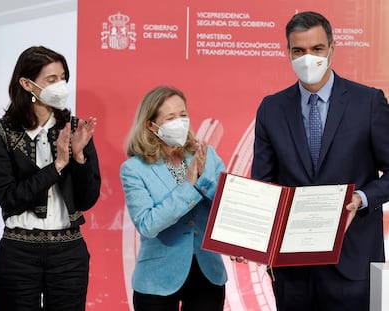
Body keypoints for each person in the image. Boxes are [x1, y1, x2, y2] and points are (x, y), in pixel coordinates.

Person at [251, 11, 389, 311]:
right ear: (288, 52)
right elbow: (262, 184)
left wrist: (362, 198)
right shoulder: (271, 109)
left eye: (316, 49)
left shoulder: (368, 102)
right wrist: (245, 233)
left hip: (356, 263)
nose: (307, 58)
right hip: (292, 268)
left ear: (332, 49)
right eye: (298, 51)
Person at [0, 46, 101, 311]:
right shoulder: (0, 133)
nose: (60, 86)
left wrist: (79, 157)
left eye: (63, 78)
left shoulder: (76, 129)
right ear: (27, 83)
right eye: (52, 80)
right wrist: (58, 164)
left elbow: (88, 199)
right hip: (18, 251)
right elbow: (10, 198)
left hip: (69, 252)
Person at [120, 85, 227, 311]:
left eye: (183, 115)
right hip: (157, 280)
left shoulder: (207, 154)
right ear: (151, 125)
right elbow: (148, 225)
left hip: (208, 273)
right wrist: (189, 186)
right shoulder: (133, 169)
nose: (180, 122)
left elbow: (226, 206)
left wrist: (243, 244)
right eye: (170, 117)